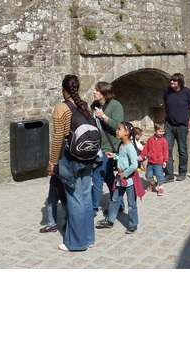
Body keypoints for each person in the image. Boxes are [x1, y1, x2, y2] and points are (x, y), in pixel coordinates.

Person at [53, 74, 95, 253]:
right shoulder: (84, 106)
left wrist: (52, 162)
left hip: (71, 158)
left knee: (75, 199)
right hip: (88, 157)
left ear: (64, 90)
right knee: (85, 197)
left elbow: (57, 138)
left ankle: (76, 243)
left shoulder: (61, 108)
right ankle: (88, 237)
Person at [96, 122, 141, 234]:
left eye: (119, 129)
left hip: (129, 180)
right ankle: (110, 220)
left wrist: (125, 174)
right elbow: (122, 157)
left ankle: (133, 223)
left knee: (131, 203)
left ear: (126, 132)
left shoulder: (130, 147)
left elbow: (134, 165)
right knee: (115, 200)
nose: (116, 131)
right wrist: (114, 156)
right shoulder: (121, 145)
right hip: (120, 179)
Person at [90, 81, 125, 216]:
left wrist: (103, 116)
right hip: (96, 148)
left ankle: (92, 209)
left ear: (104, 93)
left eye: (97, 90)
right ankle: (119, 204)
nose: (94, 92)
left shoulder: (116, 106)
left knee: (98, 177)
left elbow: (117, 126)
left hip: (108, 148)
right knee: (109, 177)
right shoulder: (94, 105)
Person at [162, 72, 190, 182]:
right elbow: (164, 102)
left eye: (174, 80)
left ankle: (182, 173)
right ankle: (169, 175)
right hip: (169, 124)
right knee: (167, 148)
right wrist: (164, 114)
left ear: (180, 82)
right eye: (171, 80)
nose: (172, 82)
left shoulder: (187, 92)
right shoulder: (168, 91)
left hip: (182, 125)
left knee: (182, 149)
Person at [139, 122, 168, 196]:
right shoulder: (150, 139)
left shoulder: (164, 141)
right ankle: (153, 183)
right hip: (151, 162)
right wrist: (142, 156)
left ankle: (161, 187)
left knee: (159, 175)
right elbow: (146, 149)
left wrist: (165, 161)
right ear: (155, 130)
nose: (162, 133)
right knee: (148, 175)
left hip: (159, 162)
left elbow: (165, 151)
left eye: (163, 131)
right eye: (160, 131)